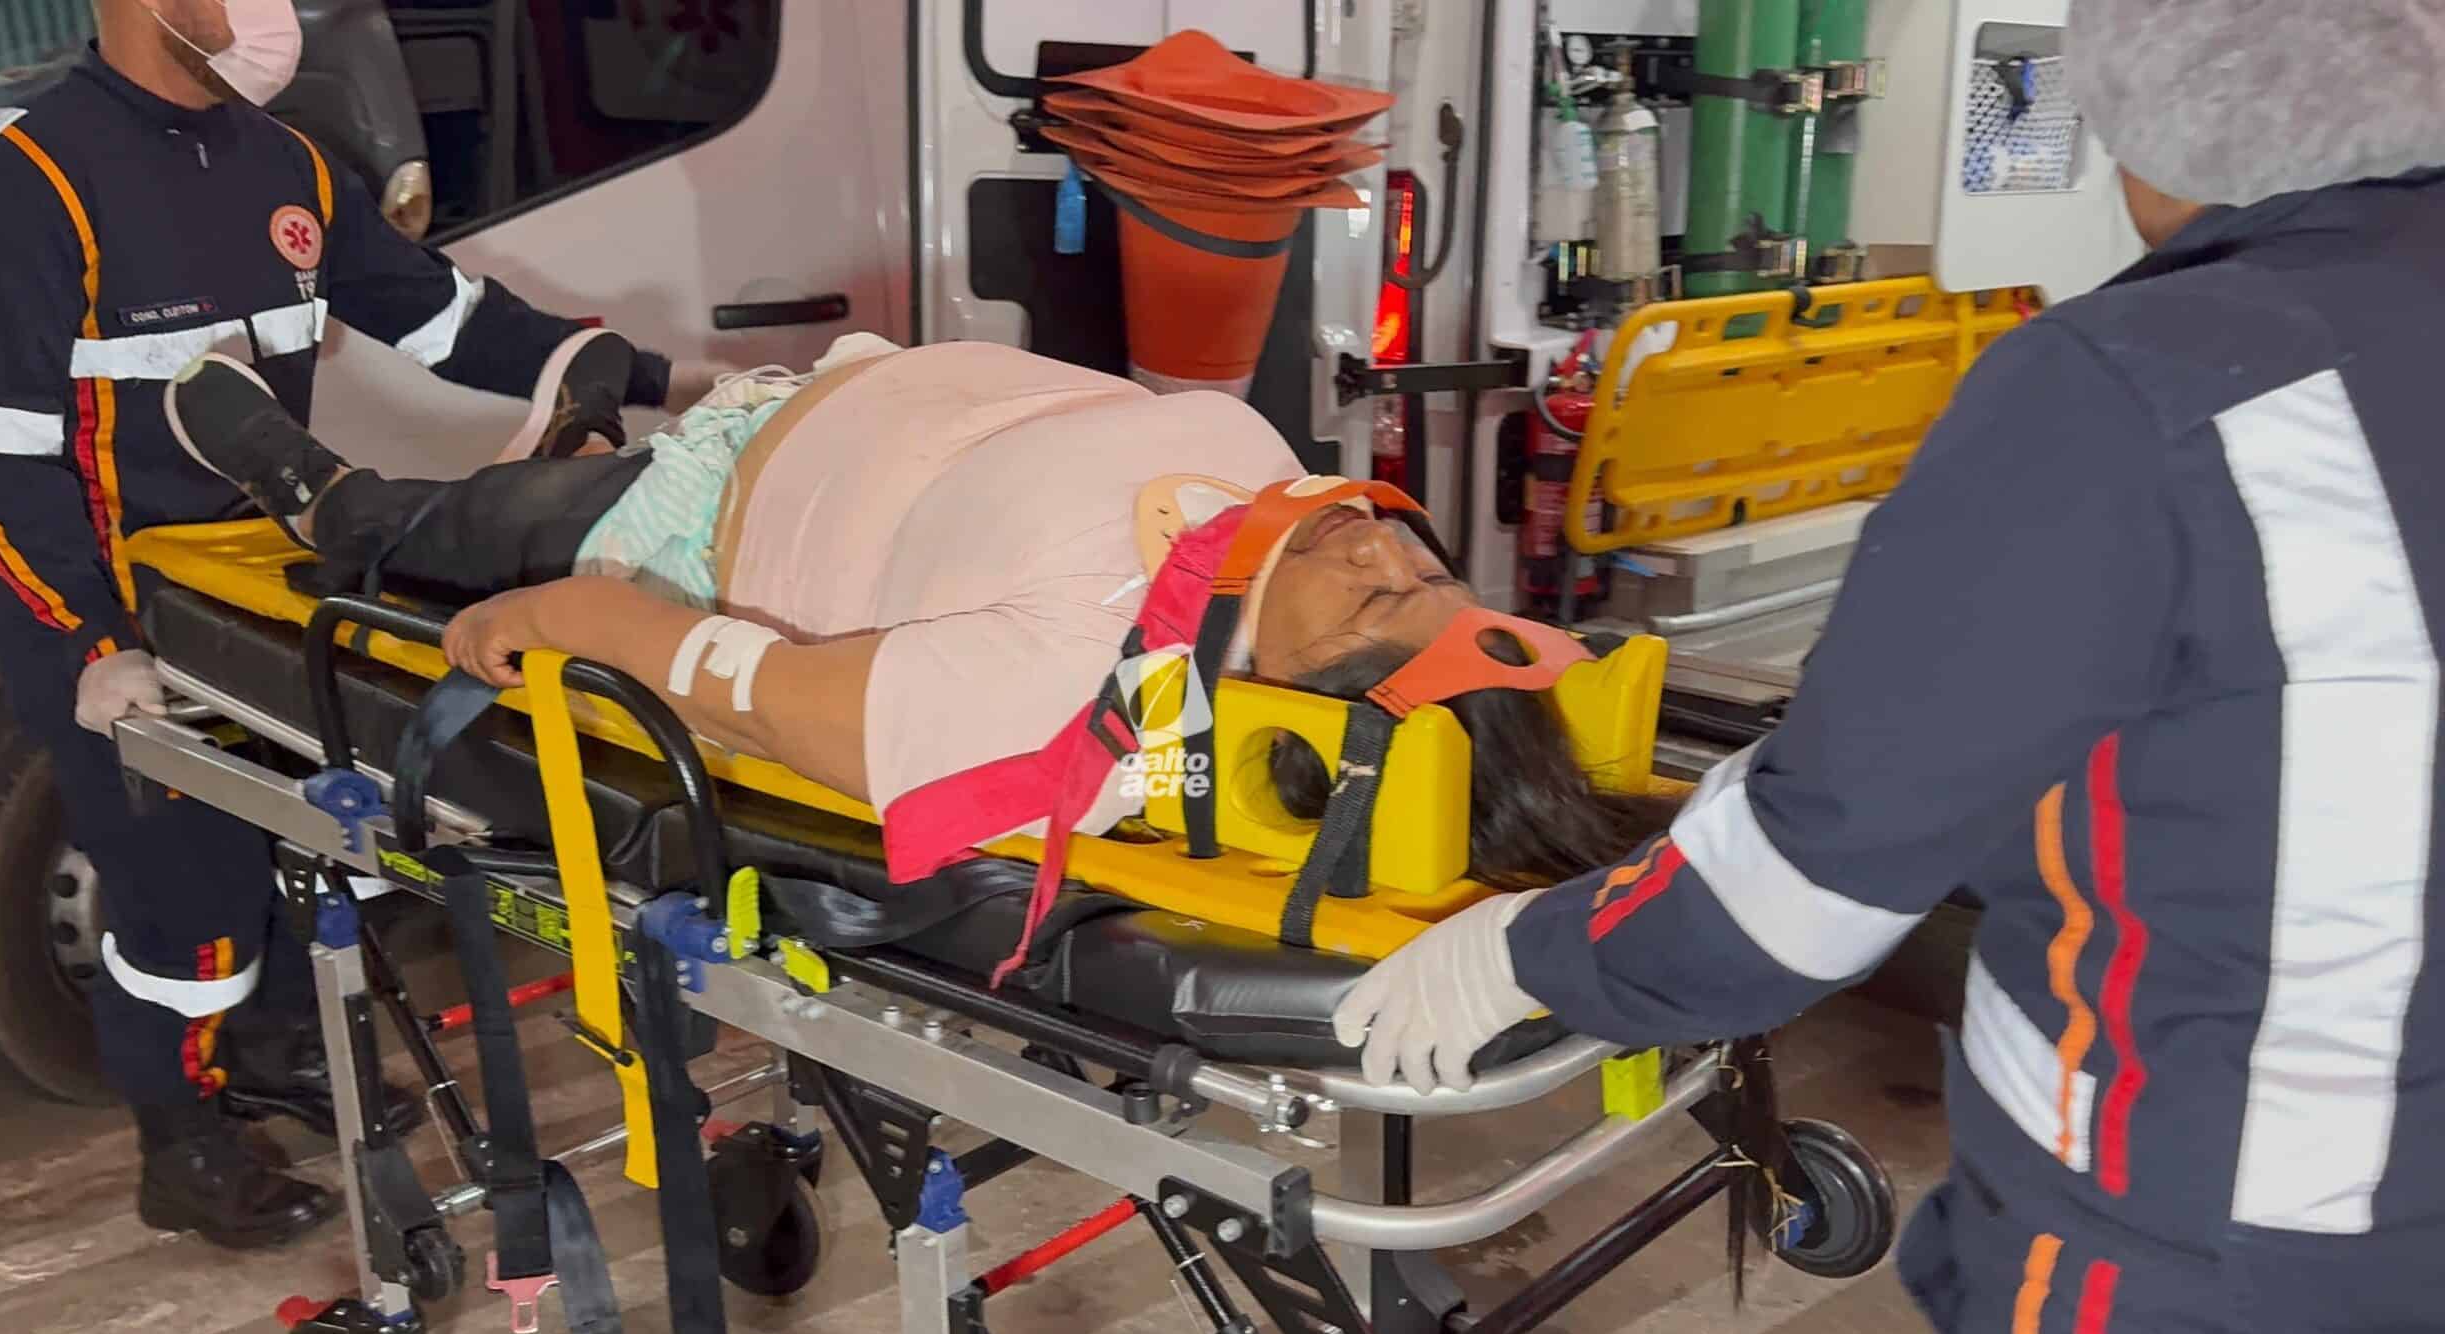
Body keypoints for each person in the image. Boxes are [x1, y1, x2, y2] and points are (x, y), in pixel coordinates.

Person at [1330, 3, 2445, 1334]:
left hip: (2223, 1295)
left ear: (2165, 116)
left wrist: (1529, 954)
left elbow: (1800, 890)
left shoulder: (2137, 387)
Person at [0, 0, 691, 1250]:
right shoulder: (15, 181)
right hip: (105, 611)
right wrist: (92, 641)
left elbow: (450, 322)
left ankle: (268, 1050)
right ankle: (179, 1139)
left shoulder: (285, 164)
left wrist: (660, 377)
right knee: (183, 901)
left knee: (287, 846)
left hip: (251, 590)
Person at [165, 335, 1666, 890]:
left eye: (1378, 599)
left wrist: (567, 615)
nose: (1381, 542)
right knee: (555, 474)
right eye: (1428, 567)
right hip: (796, 402)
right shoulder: (1265, 510)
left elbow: (751, 693)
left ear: (1286, 700)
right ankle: (585, 420)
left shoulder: (1083, 698)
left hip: (681, 529)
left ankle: (326, 499)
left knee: (448, 536)